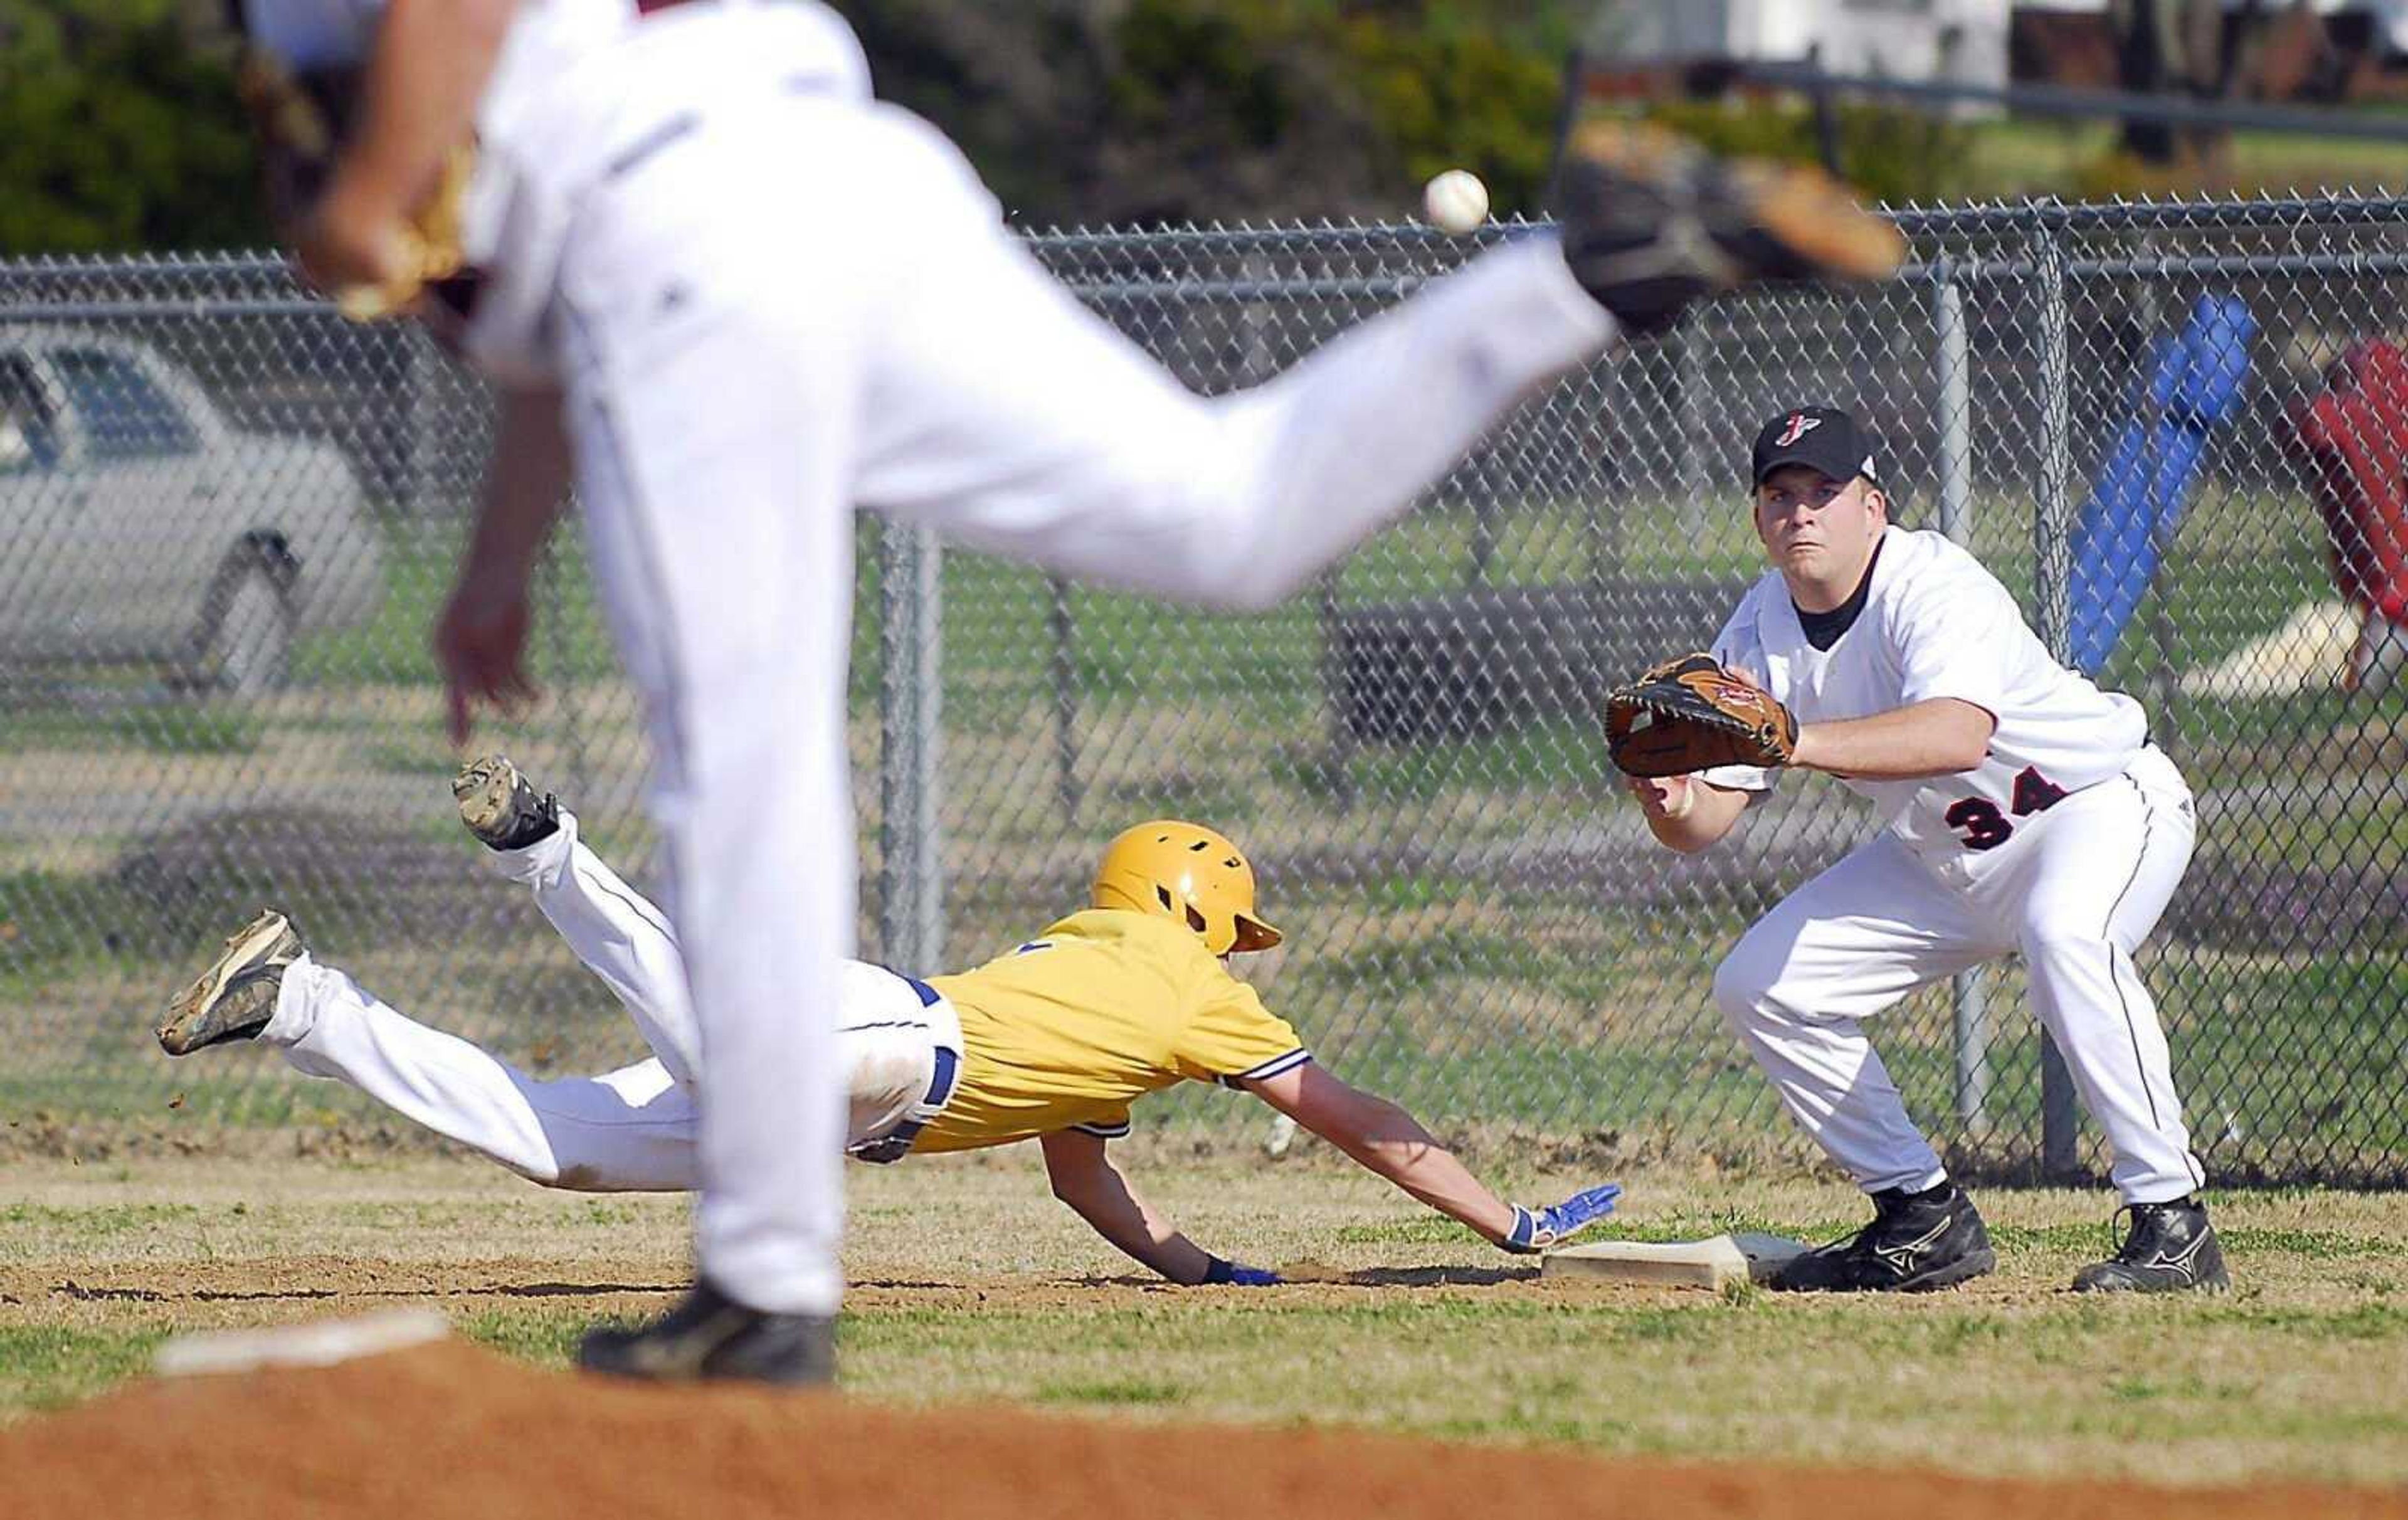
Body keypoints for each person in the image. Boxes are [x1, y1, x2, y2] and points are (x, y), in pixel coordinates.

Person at [229, 0, 1902, 1383]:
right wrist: (494, 571)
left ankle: (761, 1287)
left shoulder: (353, 71)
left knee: (743, 756)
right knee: (1226, 512)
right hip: (843, 166)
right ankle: (1593, 265)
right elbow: (556, 337)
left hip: (685, 220)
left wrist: (362, 193)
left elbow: (474, 80)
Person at [159, 757, 1622, 1306]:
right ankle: (546, 850)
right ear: (1199, 912)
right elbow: (1356, 1119)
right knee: (726, 1049)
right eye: (1237, 928)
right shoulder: (1190, 995)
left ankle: (302, 1003)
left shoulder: (1099, 994)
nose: (1241, 954)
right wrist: (1509, 1220)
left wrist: (1204, 1270)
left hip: (857, 1099)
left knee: (562, 1152)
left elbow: (1081, 1179)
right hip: (885, 1036)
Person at [1624, 405, 2224, 1296]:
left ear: (1874, 507)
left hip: (2092, 808)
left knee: (2068, 937)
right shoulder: (1756, 633)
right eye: (1780, 495)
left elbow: (1955, 735)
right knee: (1762, 983)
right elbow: (1704, 825)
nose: (1802, 513)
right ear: (1756, 519)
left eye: (1825, 492)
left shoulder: (1931, 582)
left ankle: (2172, 1220)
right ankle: (1921, 1216)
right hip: (1948, 858)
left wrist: (1790, 740)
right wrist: (1669, 796)